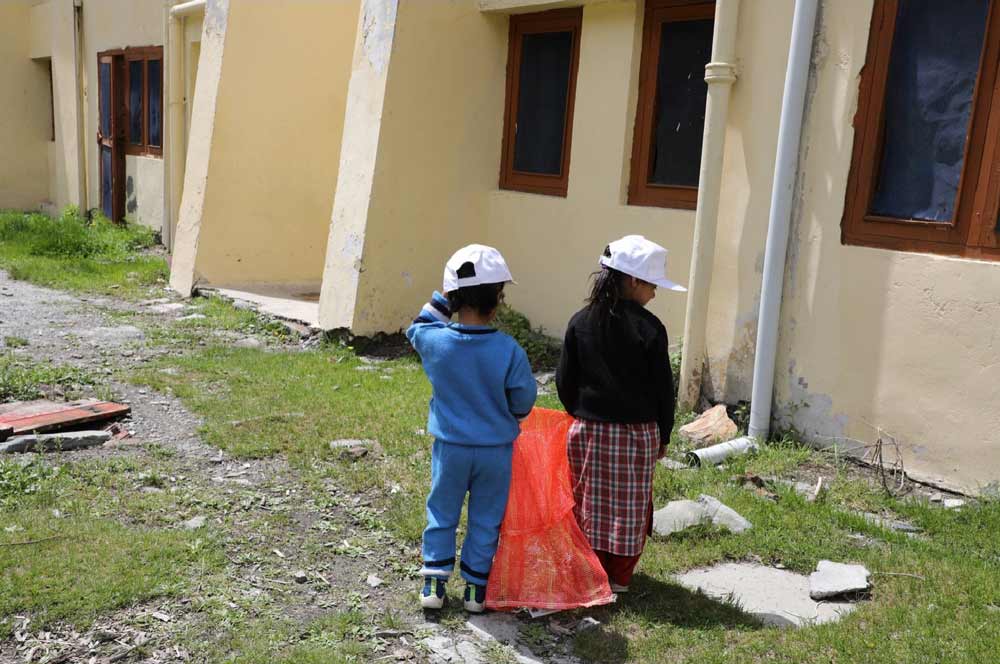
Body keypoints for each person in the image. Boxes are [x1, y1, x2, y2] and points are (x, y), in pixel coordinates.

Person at [407, 244, 537, 613]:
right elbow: (523, 398)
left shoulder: (434, 341)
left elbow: (417, 327)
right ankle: (476, 591)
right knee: (486, 517)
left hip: (451, 449)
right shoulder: (509, 349)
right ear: (497, 302)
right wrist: (509, 414)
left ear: (453, 298)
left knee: (441, 512)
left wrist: (443, 297)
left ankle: (434, 584)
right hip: (496, 452)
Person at [556, 235, 686, 593]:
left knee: (588, 501)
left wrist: (581, 414)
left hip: (588, 432)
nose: (655, 294)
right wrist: (663, 433)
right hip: (636, 434)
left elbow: (565, 380)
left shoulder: (579, 322)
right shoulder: (650, 329)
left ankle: (589, 568)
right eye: (652, 285)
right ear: (632, 280)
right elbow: (663, 389)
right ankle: (619, 576)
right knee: (630, 506)